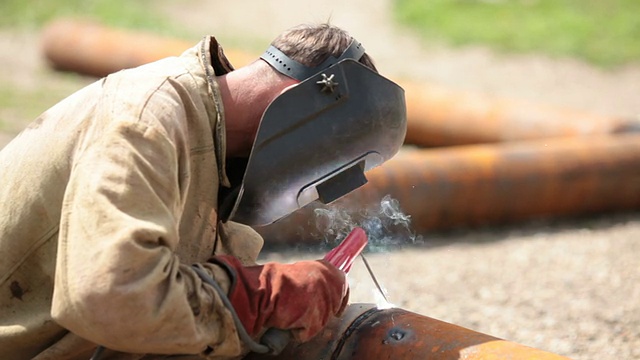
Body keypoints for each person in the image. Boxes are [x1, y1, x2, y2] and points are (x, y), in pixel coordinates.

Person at [0, 23, 406, 359]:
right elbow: (109, 297)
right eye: (326, 158)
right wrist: (261, 295)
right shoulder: (147, 121)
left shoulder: (212, 157)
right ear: (309, 107)